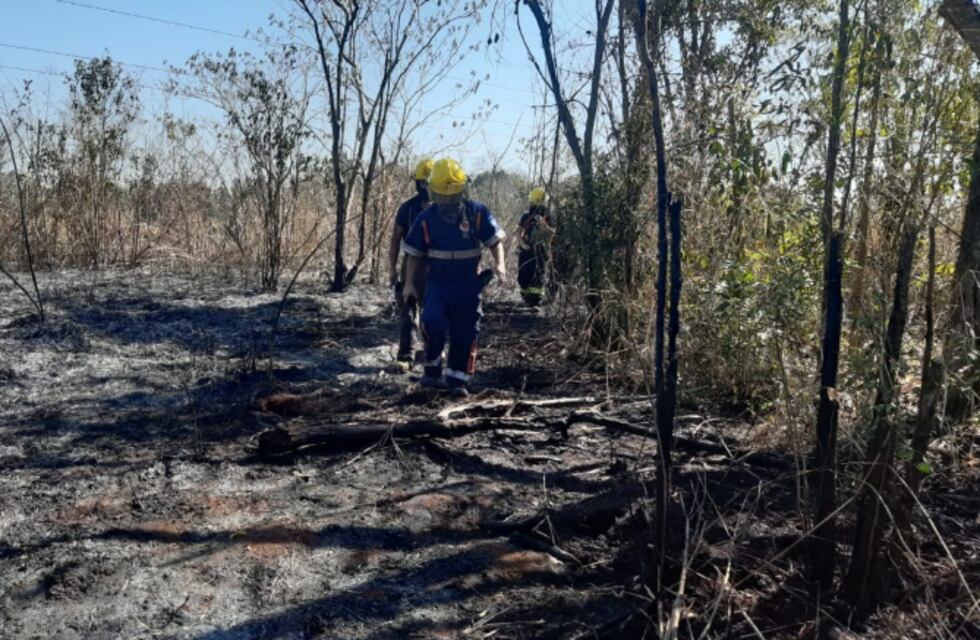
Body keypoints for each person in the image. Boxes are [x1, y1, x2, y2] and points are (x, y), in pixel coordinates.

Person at [401, 158, 507, 396]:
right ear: (434, 192)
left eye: (453, 195)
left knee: (465, 331)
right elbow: (414, 255)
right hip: (438, 283)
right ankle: (432, 368)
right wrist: (409, 284)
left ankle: (458, 379)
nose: (448, 201)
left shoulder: (477, 213)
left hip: (468, 283)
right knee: (432, 321)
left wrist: (500, 264)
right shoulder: (425, 218)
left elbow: (494, 241)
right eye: (443, 196)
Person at [388, 158, 433, 367]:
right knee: (408, 307)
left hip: (436, 264)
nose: (426, 187)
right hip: (412, 264)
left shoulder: (444, 208)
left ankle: (433, 352)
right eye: (424, 183)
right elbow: (395, 239)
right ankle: (406, 354)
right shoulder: (407, 208)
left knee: (434, 309)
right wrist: (392, 270)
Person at [517, 187, 555, 307]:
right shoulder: (526, 216)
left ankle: (535, 301)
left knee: (539, 275)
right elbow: (519, 231)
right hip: (526, 249)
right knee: (524, 274)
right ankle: (526, 298)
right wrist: (522, 244)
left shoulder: (548, 217)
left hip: (541, 251)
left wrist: (544, 225)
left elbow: (552, 233)